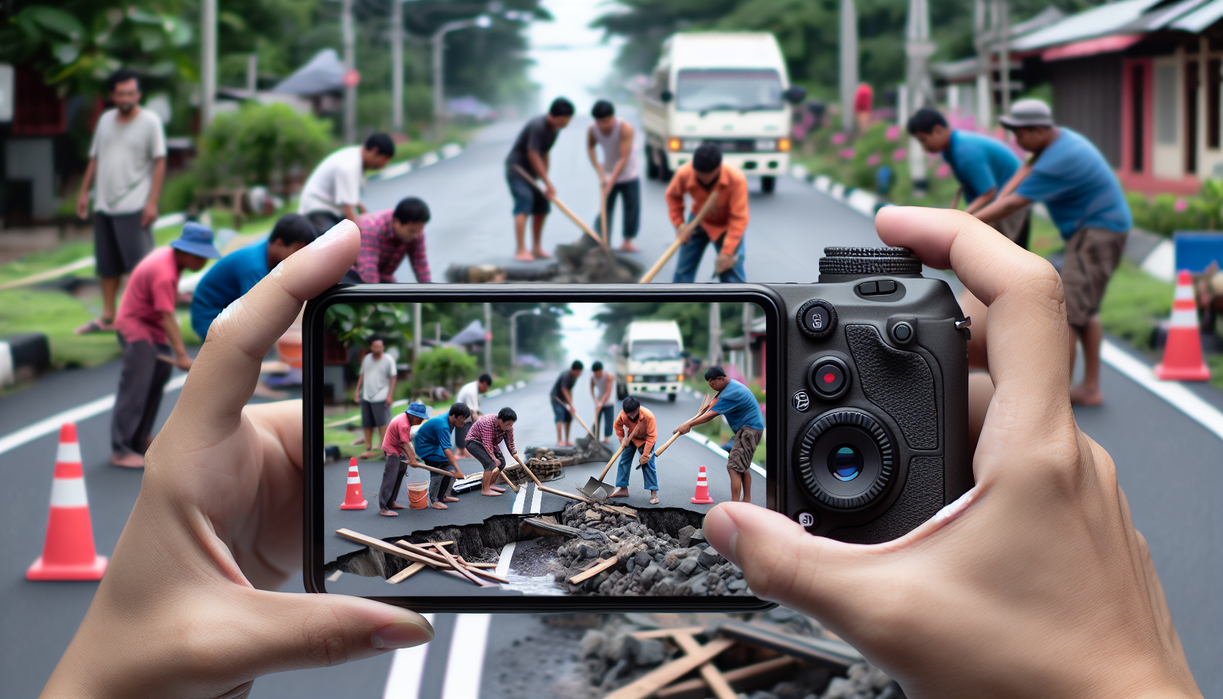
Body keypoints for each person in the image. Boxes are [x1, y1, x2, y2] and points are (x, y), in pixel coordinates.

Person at [37, 216, 1202, 699]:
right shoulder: (470, 424)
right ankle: (755, 508)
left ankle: (762, 510)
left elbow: (677, 427)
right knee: (476, 483)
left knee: (728, 481)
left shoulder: (720, 405)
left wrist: (663, 460)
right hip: (466, 444)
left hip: (704, 435)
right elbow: (466, 450)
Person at [973, 99, 1132, 407]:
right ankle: (1089, 387)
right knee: (1085, 311)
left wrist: (967, 222)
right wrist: (988, 208)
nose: (1017, 141)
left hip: (1097, 233)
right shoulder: (1054, 144)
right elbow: (1020, 175)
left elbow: (1013, 203)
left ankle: (1059, 398)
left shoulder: (1061, 157)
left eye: (1020, 134)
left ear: (1039, 130)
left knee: (1070, 316)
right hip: (1098, 229)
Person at [109, 222, 220, 467]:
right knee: (136, 387)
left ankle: (139, 438)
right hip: (136, 327)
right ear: (187, 253)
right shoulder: (164, 272)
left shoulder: (171, 262)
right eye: (201, 257)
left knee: (158, 376)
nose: (203, 263)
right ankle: (121, 448)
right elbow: (166, 316)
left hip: (150, 326)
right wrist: (181, 354)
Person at [74, 68, 167, 335]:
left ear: (138, 94)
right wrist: (84, 192)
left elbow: (160, 161)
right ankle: (107, 316)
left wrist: (152, 202)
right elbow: (95, 157)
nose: (127, 97)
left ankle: (143, 318)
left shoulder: (150, 121)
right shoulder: (105, 121)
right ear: (112, 95)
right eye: (121, 93)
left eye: (132, 93)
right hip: (104, 204)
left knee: (140, 266)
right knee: (107, 265)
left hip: (135, 204)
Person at [906, 107, 1029, 248]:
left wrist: (965, 216)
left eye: (923, 140)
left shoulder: (964, 152)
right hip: (1001, 196)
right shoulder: (953, 146)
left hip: (1013, 197)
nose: (924, 146)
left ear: (938, 130)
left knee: (1007, 252)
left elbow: (989, 192)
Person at [190, 214, 317, 342]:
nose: (300, 258)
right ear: (279, 243)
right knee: (240, 349)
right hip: (209, 314)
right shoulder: (255, 268)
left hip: (228, 308)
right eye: (297, 251)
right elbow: (255, 316)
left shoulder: (269, 249)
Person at [672, 366, 763, 502]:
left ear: (721, 378)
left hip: (749, 430)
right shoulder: (727, 389)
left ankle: (735, 504)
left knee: (733, 466)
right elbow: (711, 408)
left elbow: (711, 415)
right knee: (742, 466)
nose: (711, 385)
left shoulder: (731, 392)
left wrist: (689, 424)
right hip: (748, 429)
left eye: (712, 382)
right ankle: (746, 500)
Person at [667, 143, 750, 283]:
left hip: (726, 226)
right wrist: (679, 224)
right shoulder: (684, 173)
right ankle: (679, 302)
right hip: (698, 221)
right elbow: (673, 196)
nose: (704, 179)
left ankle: (734, 304)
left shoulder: (736, 179)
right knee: (682, 271)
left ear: (719, 168)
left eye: (708, 175)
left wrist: (727, 251)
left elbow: (739, 218)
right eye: (700, 175)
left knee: (730, 273)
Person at [506, 97, 575, 261]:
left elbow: (544, 154)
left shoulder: (554, 131)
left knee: (543, 204)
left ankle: (536, 247)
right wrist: (548, 182)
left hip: (532, 174)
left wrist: (545, 182)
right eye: (565, 119)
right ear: (555, 116)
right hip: (517, 170)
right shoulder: (539, 126)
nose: (567, 123)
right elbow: (533, 153)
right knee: (525, 201)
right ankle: (520, 250)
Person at [298, 133, 395, 232]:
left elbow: (353, 201)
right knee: (337, 241)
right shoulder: (350, 165)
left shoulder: (356, 159)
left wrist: (366, 217)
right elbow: (349, 209)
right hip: (318, 209)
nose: (383, 165)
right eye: (385, 160)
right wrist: (360, 235)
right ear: (375, 150)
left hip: (332, 210)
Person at [587, 100, 641, 251]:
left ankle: (627, 241)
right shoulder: (592, 129)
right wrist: (600, 174)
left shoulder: (625, 128)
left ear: (613, 117)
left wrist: (610, 183)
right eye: (599, 122)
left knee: (631, 207)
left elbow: (623, 158)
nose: (603, 125)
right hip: (608, 171)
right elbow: (590, 148)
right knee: (606, 208)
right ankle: (604, 242)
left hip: (628, 173)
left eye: (606, 121)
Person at [343, 197, 432, 284]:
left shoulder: (415, 232)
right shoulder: (371, 227)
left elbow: (421, 265)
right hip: (354, 275)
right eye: (411, 231)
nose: (416, 236)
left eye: (419, 231)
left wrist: (429, 294)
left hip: (383, 276)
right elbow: (368, 270)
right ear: (397, 223)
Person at [413, 403, 471, 510]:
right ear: (454, 416)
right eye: (462, 420)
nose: (463, 423)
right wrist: (458, 470)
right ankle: (434, 500)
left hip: (434, 444)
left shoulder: (451, 419)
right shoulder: (443, 425)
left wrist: (456, 470)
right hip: (424, 446)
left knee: (451, 470)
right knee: (438, 471)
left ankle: (444, 496)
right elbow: (446, 449)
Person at [377, 402, 428, 517]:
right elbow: (406, 444)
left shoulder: (406, 420)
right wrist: (413, 460)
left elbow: (406, 443)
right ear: (412, 415)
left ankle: (391, 502)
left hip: (398, 448)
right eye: (420, 417)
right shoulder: (404, 424)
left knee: (400, 474)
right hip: (392, 450)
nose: (421, 420)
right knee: (390, 478)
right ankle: (384, 507)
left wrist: (413, 458)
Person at [353, 339, 398, 459]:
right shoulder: (367, 358)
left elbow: (393, 378)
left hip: (381, 395)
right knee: (367, 423)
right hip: (366, 395)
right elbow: (362, 375)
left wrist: (390, 396)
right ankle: (368, 447)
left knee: (382, 423)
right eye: (374, 346)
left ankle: (385, 449)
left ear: (383, 347)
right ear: (371, 347)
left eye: (379, 346)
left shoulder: (388, 359)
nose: (377, 348)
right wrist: (357, 390)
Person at [610, 396, 659, 504]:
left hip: (646, 440)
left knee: (647, 463)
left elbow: (652, 437)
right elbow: (617, 427)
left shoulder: (648, 416)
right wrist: (622, 440)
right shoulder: (622, 415)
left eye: (634, 413)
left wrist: (645, 455)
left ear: (638, 408)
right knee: (624, 460)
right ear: (625, 411)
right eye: (629, 414)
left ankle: (653, 494)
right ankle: (622, 488)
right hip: (631, 438)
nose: (632, 416)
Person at [465, 408, 522, 497]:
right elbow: (487, 443)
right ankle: (485, 489)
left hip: (489, 444)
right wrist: (494, 459)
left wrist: (513, 453)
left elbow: (510, 441)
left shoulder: (508, 427)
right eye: (508, 424)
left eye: (512, 424)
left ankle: (491, 485)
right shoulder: (487, 423)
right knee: (490, 464)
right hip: (474, 442)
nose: (510, 427)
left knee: (502, 463)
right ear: (500, 420)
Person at [454, 373, 492, 459]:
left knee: (473, 424)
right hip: (461, 416)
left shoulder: (474, 388)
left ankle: (461, 452)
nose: (486, 390)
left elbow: (476, 410)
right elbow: (473, 411)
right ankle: (465, 452)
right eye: (487, 387)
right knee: (471, 428)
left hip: (463, 415)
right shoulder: (471, 390)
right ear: (485, 383)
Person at [551, 360, 583, 447]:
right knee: (560, 416)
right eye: (580, 371)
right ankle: (560, 440)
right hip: (557, 398)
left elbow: (569, 390)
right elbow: (564, 389)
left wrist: (570, 405)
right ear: (576, 370)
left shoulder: (574, 377)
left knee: (569, 417)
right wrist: (571, 405)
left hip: (565, 400)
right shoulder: (567, 375)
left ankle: (567, 440)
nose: (580, 373)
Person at [590, 360, 615, 444]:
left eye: (598, 372)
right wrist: (596, 401)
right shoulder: (592, 377)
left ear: (601, 370)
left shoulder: (607, 376)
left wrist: (602, 402)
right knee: (596, 421)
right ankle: (595, 438)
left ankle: (606, 439)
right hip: (599, 402)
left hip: (608, 402)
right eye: (595, 373)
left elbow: (608, 392)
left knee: (608, 422)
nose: (596, 374)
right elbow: (592, 390)